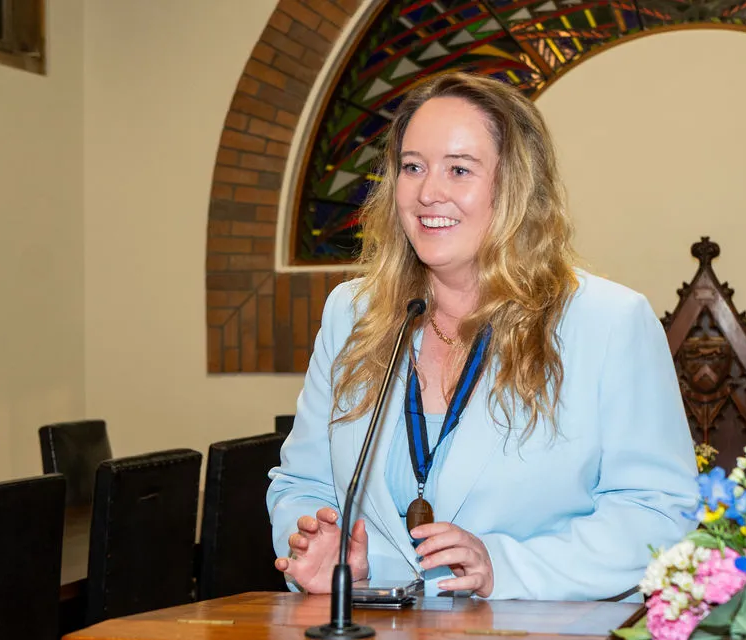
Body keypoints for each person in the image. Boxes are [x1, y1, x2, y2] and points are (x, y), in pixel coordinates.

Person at [266, 72, 698, 601]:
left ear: (515, 186)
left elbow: (657, 512)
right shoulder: (351, 313)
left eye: (459, 169)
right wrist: (323, 553)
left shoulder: (608, 321)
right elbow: (303, 485)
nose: (429, 192)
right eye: (413, 167)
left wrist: (503, 567)